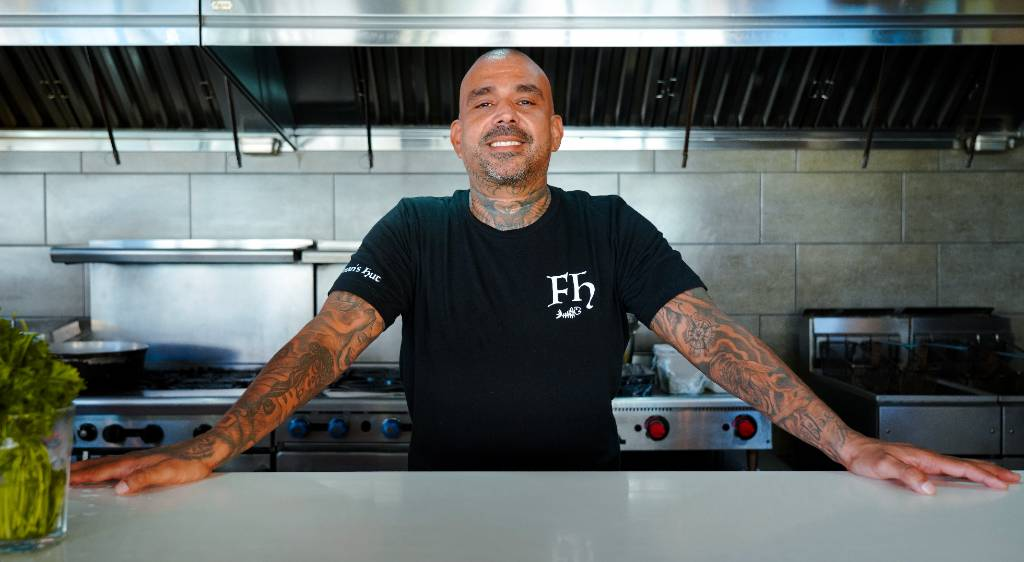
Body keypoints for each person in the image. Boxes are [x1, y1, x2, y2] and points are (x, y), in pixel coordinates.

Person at [71, 49, 1019, 495]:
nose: (506, 113)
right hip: (437, 505)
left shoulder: (610, 227)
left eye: (528, 98)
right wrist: (214, 443)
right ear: (456, 134)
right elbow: (330, 339)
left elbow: (714, 340)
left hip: (590, 502)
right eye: (483, 100)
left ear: (556, 130)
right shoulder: (411, 229)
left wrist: (847, 443)